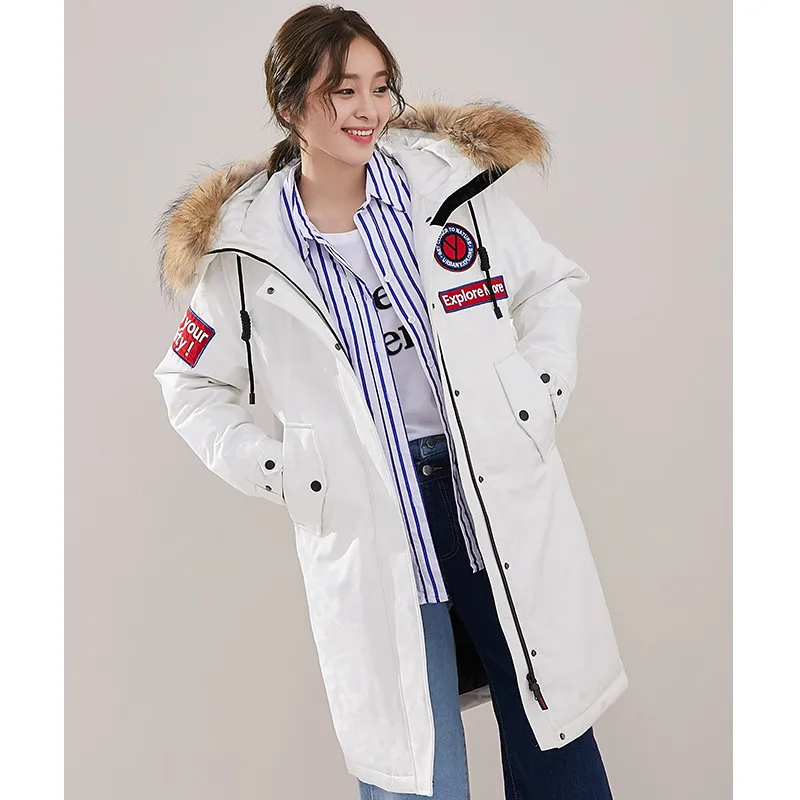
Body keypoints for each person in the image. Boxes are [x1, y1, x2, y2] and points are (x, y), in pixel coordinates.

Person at [153, 4, 627, 798]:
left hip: (487, 489)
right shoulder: (247, 247)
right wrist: (288, 470)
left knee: (552, 733)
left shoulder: (448, 188)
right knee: (415, 763)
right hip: (373, 513)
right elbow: (189, 382)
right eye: (342, 90)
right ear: (288, 104)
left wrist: (533, 397)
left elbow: (551, 286)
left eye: (380, 86)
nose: (367, 108)